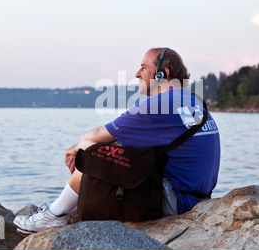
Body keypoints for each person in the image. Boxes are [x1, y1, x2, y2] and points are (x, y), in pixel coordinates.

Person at [13, 47, 221, 233]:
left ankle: (54, 215)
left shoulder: (160, 104)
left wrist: (76, 151)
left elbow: (93, 137)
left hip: (175, 202)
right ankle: (68, 208)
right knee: (114, 149)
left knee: (94, 156)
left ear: (162, 74)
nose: (136, 74)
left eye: (142, 67)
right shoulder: (193, 100)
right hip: (197, 198)